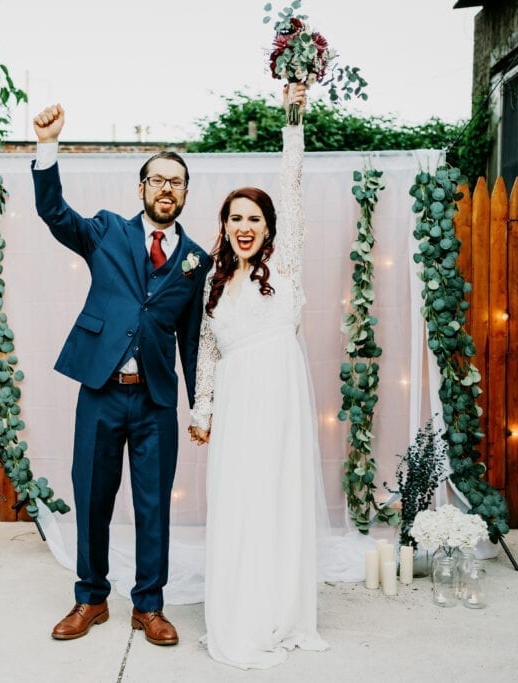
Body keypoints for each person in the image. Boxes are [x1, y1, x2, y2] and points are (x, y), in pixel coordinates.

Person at [31, 103, 211, 646]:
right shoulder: (107, 231)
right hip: (102, 391)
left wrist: (200, 404)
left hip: (156, 400)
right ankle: (91, 598)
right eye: (158, 179)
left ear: (184, 194)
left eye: (176, 182)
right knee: (92, 498)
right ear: (141, 189)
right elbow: (56, 214)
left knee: (153, 505)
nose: (166, 189)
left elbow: (193, 341)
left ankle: (148, 606)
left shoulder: (196, 261)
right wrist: (47, 147)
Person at [189, 83, 329, 669]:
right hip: (237, 404)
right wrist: (202, 409)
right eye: (235, 218)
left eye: (255, 218)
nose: (245, 226)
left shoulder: (286, 265)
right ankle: (239, 608)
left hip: (281, 402)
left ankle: (280, 608)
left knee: (277, 500)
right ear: (225, 225)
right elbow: (207, 351)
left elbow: (293, 188)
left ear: (270, 228)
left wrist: (294, 115)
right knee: (238, 503)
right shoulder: (214, 282)